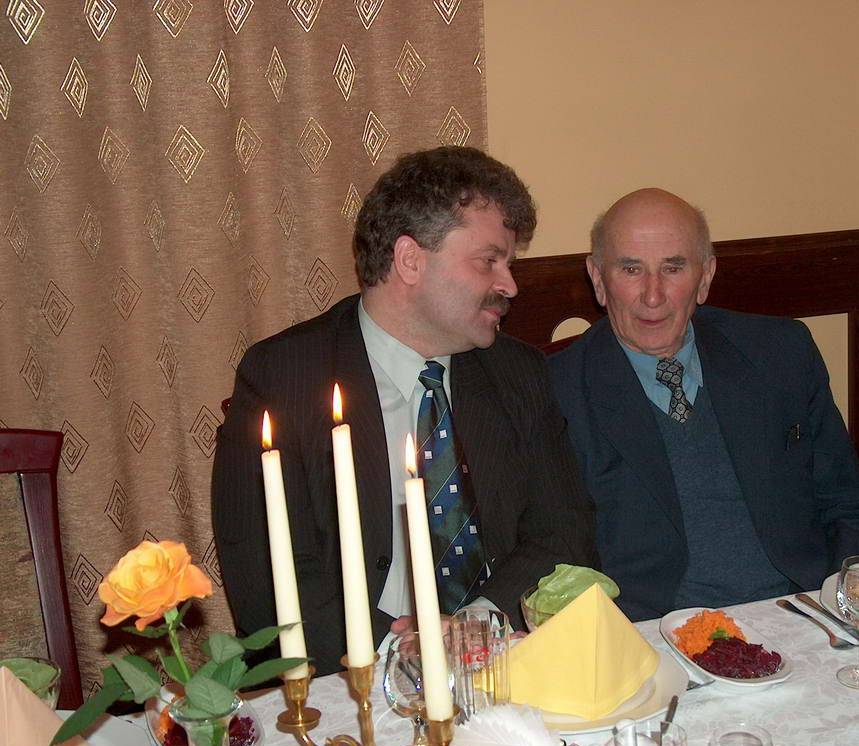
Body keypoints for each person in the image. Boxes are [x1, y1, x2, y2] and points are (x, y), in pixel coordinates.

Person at [212, 146, 597, 674]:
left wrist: (476, 625)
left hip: (500, 662)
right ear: (411, 260)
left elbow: (564, 531)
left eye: (509, 263)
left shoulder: (516, 372)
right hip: (355, 676)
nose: (510, 284)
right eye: (489, 260)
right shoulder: (284, 378)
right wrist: (396, 650)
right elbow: (264, 576)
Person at [548, 188, 859, 622]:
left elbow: (850, 503)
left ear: (705, 277)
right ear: (598, 278)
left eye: (673, 268)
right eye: (631, 269)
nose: (652, 295)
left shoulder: (780, 354)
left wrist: (847, 603)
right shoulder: (557, 392)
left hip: (802, 614)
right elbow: (555, 557)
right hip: (653, 633)